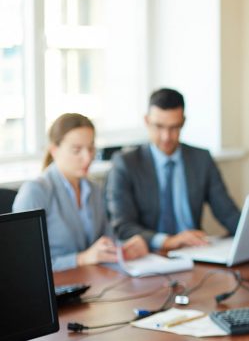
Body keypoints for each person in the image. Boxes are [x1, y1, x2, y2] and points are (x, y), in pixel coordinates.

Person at [106, 88, 240, 251]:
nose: (166, 137)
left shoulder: (201, 159)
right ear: (146, 121)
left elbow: (228, 213)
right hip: (151, 254)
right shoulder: (126, 163)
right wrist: (168, 241)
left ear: (183, 122)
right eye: (159, 126)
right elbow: (123, 226)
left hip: (194, 252)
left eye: (174, 127)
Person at [13, 113, 148, 271]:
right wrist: (81, 259)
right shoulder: (35, 192)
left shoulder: (94, 189)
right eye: (77, 150)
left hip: (91, 282)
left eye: (91, 148)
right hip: (56, 288)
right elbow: (24, 264)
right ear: (54, 150)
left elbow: (106, 240)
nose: (88, 157)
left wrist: (124, 248)